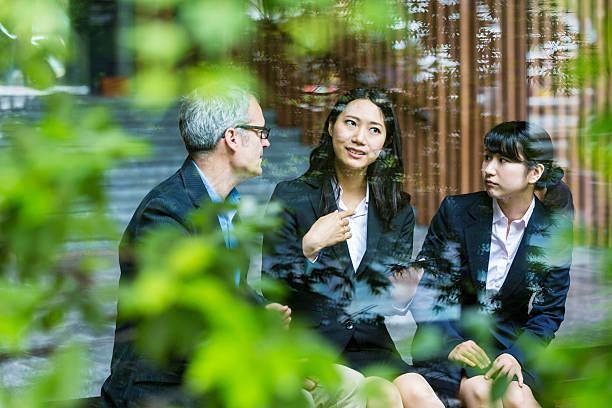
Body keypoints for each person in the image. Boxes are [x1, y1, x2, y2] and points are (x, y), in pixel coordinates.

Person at [101, 84, 289, 407]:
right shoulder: (165, 213)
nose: (267, 141)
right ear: (232, 138)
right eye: (260, 131)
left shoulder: (228, 208)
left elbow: (231, 292)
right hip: (166, 392)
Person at [262, 88, 443, 408]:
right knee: (383, 395)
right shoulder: (292, 196)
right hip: (314, 345)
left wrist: (402, 294)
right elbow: (271, 284)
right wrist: (309, 247)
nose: (360, 138)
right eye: (351, 123)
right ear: (331, 126)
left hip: (373, 346)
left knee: (419, 391)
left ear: (385, 143)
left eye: (374, 130)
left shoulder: (398, 209)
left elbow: (386, 301)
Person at [413, 121, 573, 407]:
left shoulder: (553, 232)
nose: (488, 169)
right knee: (479, 391)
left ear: (534, 172)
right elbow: (428, 290)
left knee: (518, 399)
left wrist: (516, 356)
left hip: (510, 349)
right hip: (450, 342)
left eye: (504, 161)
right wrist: (452, 343)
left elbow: (548, 313)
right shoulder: (457, 212)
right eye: (488, 157)